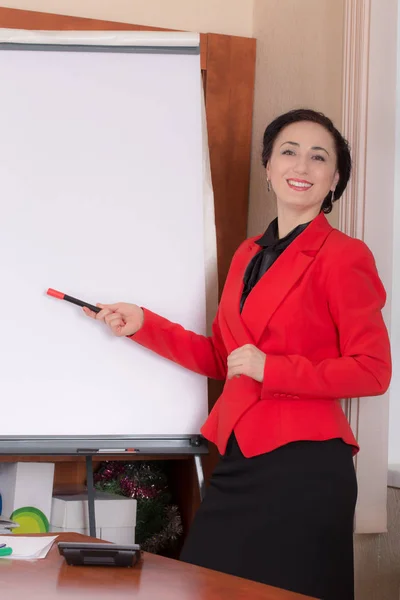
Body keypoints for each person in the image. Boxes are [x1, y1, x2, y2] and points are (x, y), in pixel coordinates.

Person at [83, 108, 391, 599]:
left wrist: (274, 368)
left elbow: (373, 372)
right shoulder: (248, 253)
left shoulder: (344, 255)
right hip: (241, 458)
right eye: (289, 151)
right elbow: (225, 359)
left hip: (305, 465)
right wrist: (145, 326)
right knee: (210, 587)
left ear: (334, 178)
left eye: (319, 157)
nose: (302, 165)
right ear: (268, 165)